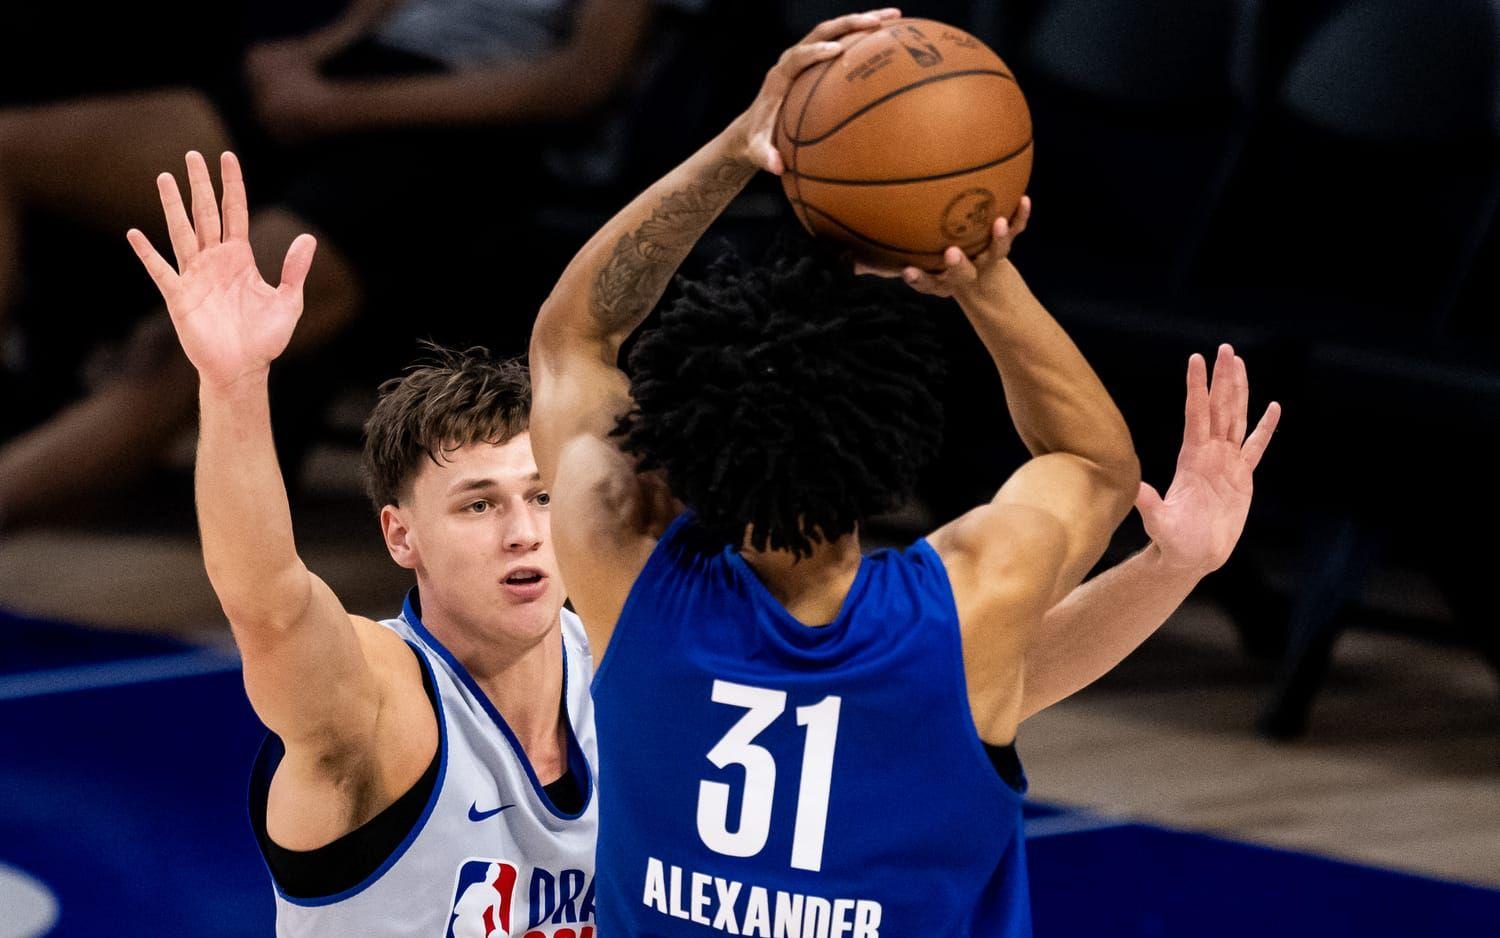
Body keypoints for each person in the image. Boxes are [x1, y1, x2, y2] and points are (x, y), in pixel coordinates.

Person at [528, 8, 1280, 936]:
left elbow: (576, 337)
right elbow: (1092, 464)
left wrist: (738, 144)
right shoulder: (967, 608)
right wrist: (979, 270)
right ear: (886, 445)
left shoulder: (618, 568)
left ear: (678, 449)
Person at [126, 151, 598, 935]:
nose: (523, 533)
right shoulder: (378, 705)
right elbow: (269, 606)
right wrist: (233, 386)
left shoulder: (625, 667)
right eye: (478, 505)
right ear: (400, 534)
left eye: (542, 496)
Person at [0, 0, 661, 530]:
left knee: (191, 345)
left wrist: (343, 108)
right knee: (9, 148)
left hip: (454, 132)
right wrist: (307, 58)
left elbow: (581, 79)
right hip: (347, 81)